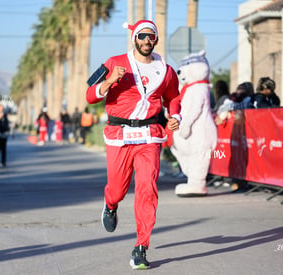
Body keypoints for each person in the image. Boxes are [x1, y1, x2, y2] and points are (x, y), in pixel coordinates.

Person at [86, 19, 181, 270]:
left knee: (147, 189)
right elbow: (89, 95)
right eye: (142, 36)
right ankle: (110, 204)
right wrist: (108, 83)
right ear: (134, 38)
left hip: (149, 136)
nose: (146, 41)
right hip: (119, 134)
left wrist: (175, 116)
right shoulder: (114, 62)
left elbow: (173, 97)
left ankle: (141, 247)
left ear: (156, 40)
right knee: (118, 187)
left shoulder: (166, 70)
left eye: (151, 37)